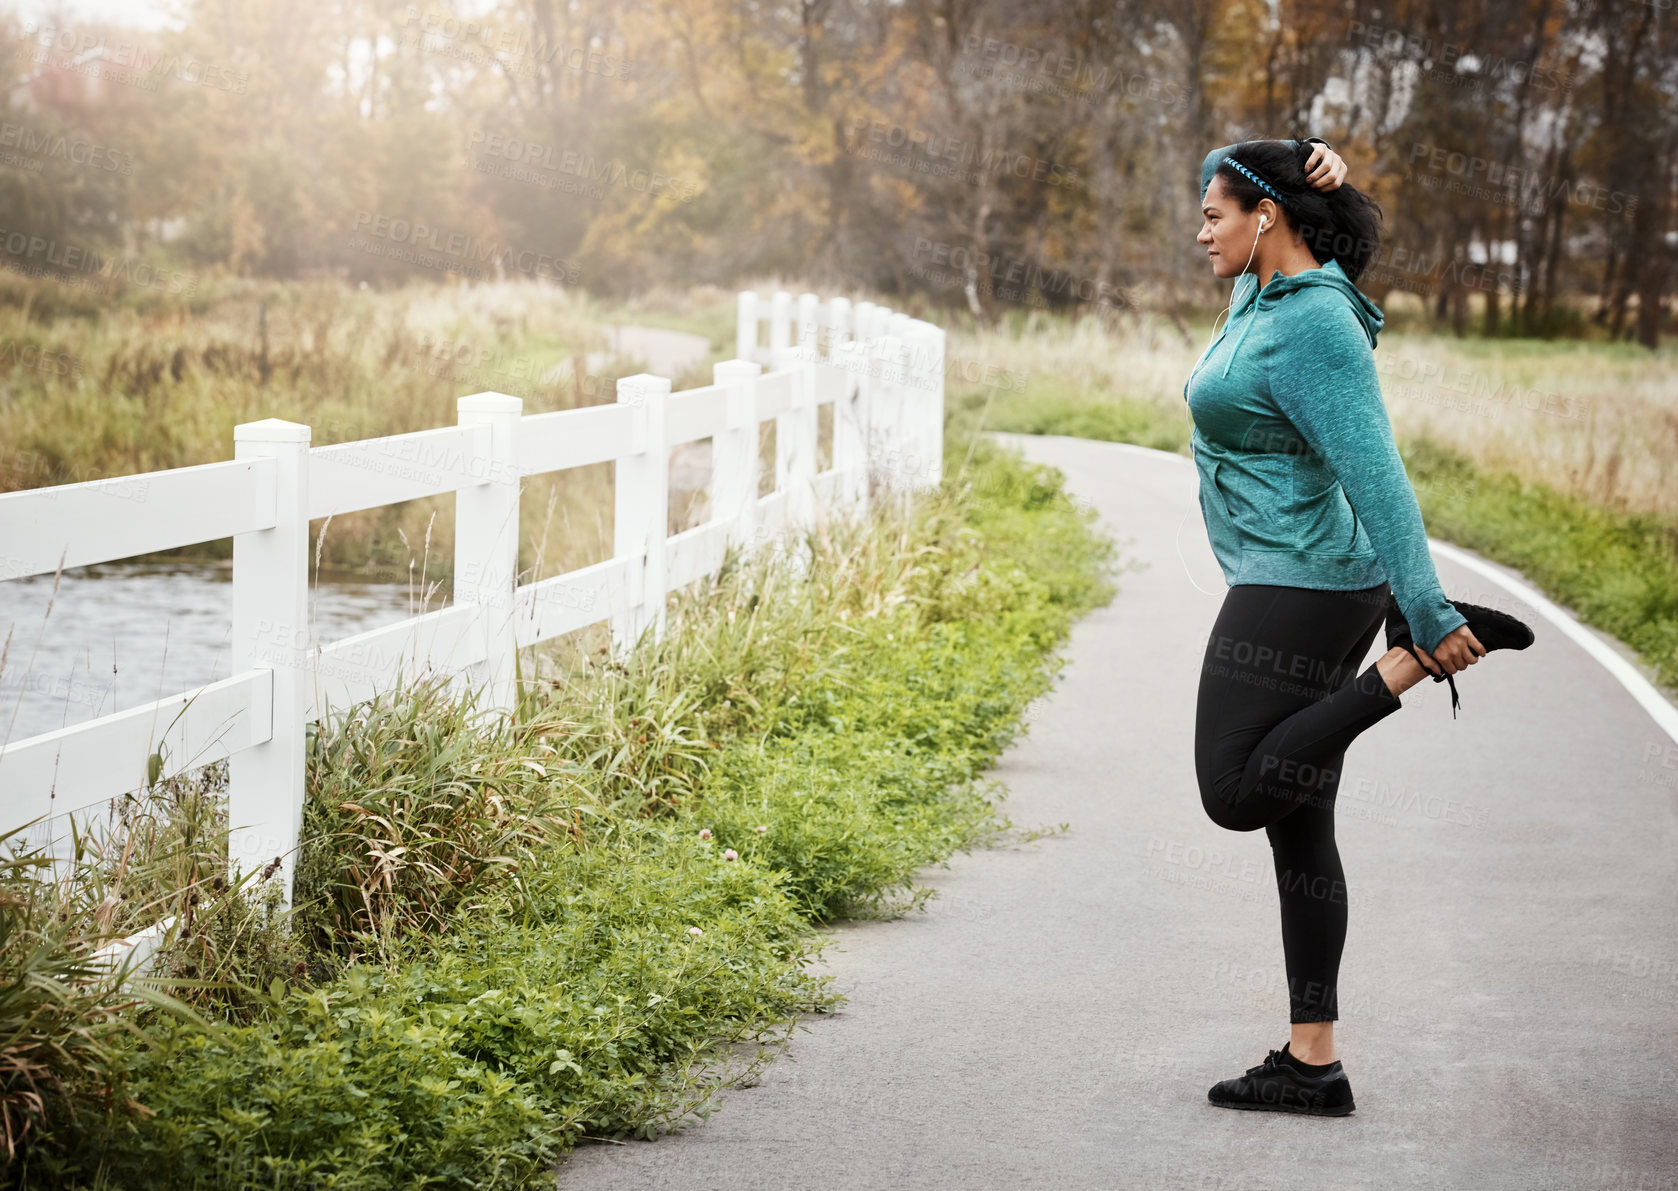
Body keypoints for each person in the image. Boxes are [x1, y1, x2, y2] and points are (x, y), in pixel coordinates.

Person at [1184, 136, 1536, 1116]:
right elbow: (1318, 242)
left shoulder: (1316, 327)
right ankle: (1311, 1063)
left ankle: (1406, 667)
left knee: (1234, 789)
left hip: (1295, 585)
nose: (1198, 230)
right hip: (1314, 581)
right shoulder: (1269, 294)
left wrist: (1423, 614)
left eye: (1213, 212)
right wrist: (1325, 182)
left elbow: (1374, 472)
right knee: (1299, 827)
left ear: (1262, 219)